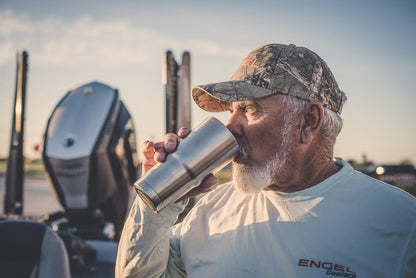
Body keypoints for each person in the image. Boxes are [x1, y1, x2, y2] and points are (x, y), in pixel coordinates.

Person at [115, 43, 416, 278]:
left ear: (309, 122)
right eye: (230, 110)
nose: (230, 126)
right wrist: (157, 200)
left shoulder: (400, 222)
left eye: (249, 109)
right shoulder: (208, 212)